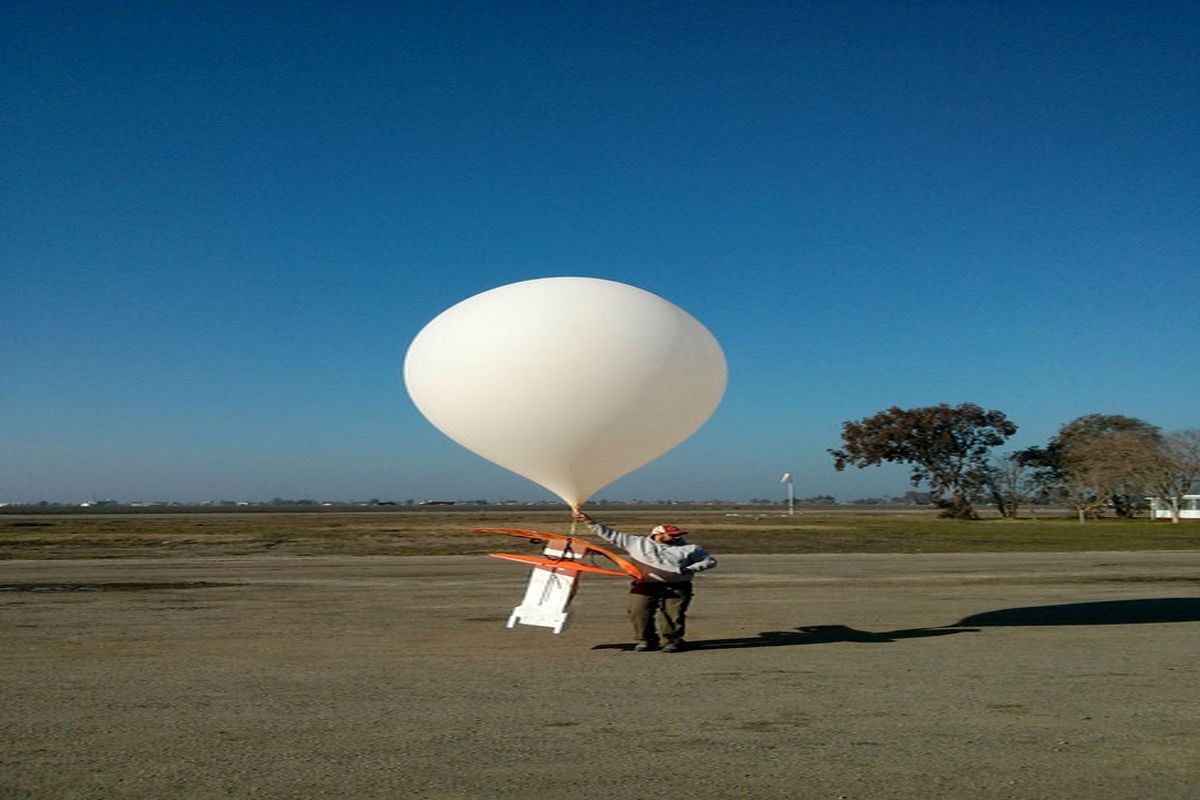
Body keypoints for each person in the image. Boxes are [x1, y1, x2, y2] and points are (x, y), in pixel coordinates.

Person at [572, 510, 716, 652]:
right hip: (644, 585)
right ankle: (647, 641)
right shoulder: (635, 542)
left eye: (679, 535)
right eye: (672, 535)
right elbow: (609, 534)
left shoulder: (690, 548)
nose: (677, 538)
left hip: (677, 585)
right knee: (638, 612)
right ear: (658, 535)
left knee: (673, 614)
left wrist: (689, 569)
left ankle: (673, 641)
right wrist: (588, 521)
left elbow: (710, 561)